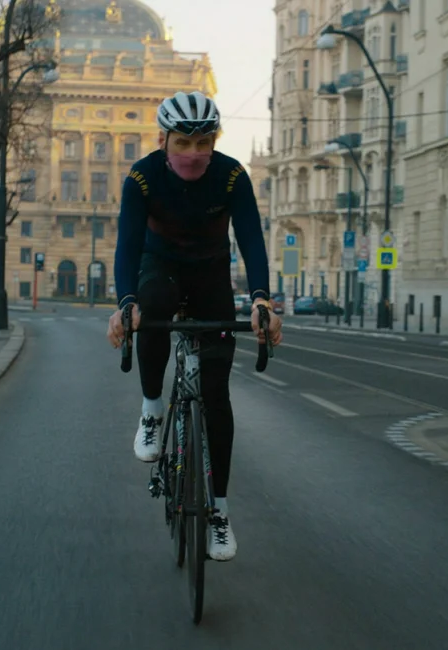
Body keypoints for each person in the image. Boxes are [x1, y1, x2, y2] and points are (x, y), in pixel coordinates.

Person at [106, 90, 282, 562]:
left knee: (217, 394)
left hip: (209, 273)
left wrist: (261, 300)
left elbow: (250, 239)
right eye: (184, 142)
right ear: (163, 139)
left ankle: (219, 512)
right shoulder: (142, 178)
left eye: (204, 142)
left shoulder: (230, 177)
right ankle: (150, 409)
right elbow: (125, 246)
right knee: (154, 305)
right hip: (157, 265)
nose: (194, 153)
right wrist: (127, 305)